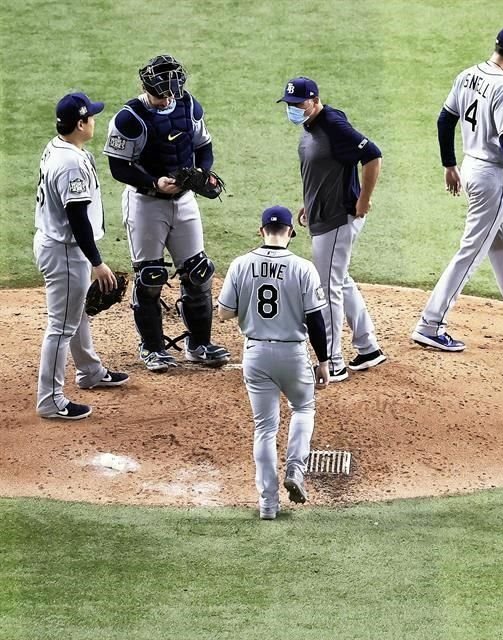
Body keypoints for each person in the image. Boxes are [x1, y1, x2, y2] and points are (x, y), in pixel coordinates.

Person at [411, 24, 503, 352]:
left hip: (470, 167)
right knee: (472, 251)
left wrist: (449, 164)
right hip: (493, 178)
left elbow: (444, 119)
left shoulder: (467, 75)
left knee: (502, 249)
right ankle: (430, 324)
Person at [102, 54, 229, 373]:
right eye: (162, 94)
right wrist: (153, 181)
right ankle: (152, 348)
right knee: (150, 275)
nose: (167, 99)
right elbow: (118, 166)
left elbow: (205, 146)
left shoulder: (189, 106)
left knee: (199, 271)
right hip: (145, 203)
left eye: (172, 92)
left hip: (184, 201)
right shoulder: (129, 118)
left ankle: (199, 344)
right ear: (147, 87)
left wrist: (204, 172)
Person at [217, 205, 331, 520]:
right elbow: (316, 321)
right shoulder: (303, 268)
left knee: (265, 428)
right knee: (304, 409)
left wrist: (246, 308)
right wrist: (323, 361)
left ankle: (268, 504)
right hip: (293, 354)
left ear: (261, 230)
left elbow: (224, 312)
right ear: (291, 233)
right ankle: (295, 468)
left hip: (255, 355)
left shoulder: (241, 264)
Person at [277, 76, 386, 383]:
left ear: (314, 100)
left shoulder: (332, 124)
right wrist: (309, 202)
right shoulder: (312, 125)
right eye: (289, 105)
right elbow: (321, 169)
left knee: (327, 289)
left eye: (298, 104)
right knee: (339, 281)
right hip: (322, 214)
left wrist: (363, 200)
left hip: (339, 217)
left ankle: (334, 361)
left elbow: (373, 155)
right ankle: (368, 347)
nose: (293, 109)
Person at [34, 92, 130, 420]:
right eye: (91, 117)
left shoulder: (60, 146)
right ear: (80, 123)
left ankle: (90, 371)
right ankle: (50, 400)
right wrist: (97, 262)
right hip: (65, 250)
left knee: (75, 315)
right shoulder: (72, 162)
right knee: (60, 326)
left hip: (55, 242)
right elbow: (77, 218)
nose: (95, 121)